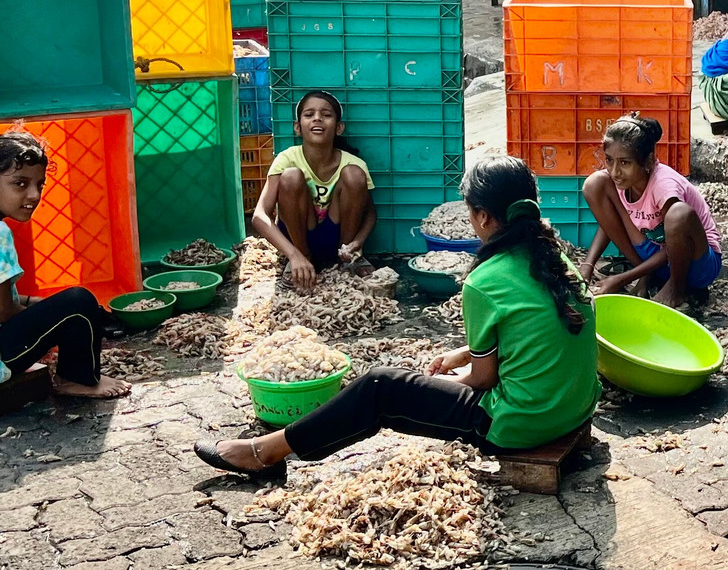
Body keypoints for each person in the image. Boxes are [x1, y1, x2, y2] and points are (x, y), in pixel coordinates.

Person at [194, 156, 601, 480]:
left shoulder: (484, 280)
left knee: (380, 386)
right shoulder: (555, 257)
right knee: (402, 383)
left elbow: (483, 381)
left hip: (523, 424)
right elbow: (534, 329)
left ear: (483, 218)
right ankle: (273, 448)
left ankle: (266, 452)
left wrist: (437, 385)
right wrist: (462, 354)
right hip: (576, 406)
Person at [0, 132, 132, 398]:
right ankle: (77, 379)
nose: (33, 195)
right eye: (20, 184)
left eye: (39, 184)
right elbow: (1, 312)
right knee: (80, 301)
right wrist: (54, 325)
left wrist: (38, 307)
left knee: (65, 307)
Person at [581, 114, 722, 307]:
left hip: (695, 263)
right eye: (609, 160)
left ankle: (676, 289)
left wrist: (623, 278)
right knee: (594, 184)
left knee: (678, 213)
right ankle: (647, 275)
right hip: (654, 259)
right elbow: (609, 224)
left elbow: (672, 246)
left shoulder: (663, 185)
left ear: (647, 162)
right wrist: (588, 265)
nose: (615, 172)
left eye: (625, 163)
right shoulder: (621, 181)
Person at [252, 91, 376, 290]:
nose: (317, 118)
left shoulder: (354, 163)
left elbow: (370, 214)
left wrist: (358, 243)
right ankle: (302, 262)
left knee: (354, 174)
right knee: (291, 176)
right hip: (298, 238)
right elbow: (259, 215)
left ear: (339, 127)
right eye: (309, 114)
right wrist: (293, 255)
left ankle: (345, 262)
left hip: (338, 240)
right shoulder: (287, 158)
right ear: (297, 127)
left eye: (326, 115)